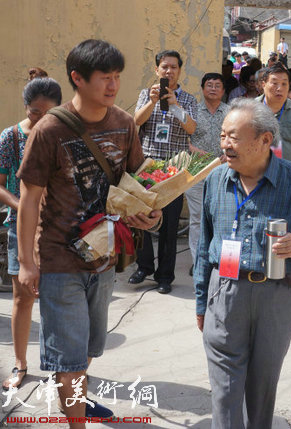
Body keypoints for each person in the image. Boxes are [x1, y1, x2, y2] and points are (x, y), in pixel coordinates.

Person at [17, 39, 162, 429]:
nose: (113, 85)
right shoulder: (49, 130)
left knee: (85, 351)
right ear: (78, 79)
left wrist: (149, 214)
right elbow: (29, 200)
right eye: (104, 78)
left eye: (117, 77)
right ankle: (76, 419)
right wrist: (27, 263)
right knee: (71, 361)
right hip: (60, 259)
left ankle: (74, 397)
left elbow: (134, 183)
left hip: (104, 257)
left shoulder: (124, 123)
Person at [195, 98, 291, 429]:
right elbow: (205, 244)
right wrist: (202, 300)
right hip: (225, 290)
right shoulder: (216, 179)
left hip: (276, 294)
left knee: (262, 386)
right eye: (222, 136)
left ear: (264, 140)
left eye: (233, 136)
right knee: (224, 389)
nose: (225, 144)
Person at [0, 77, 62, 390]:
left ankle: (61, 369)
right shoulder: (10, 138)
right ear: (26, 107)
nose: (41, 120)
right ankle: (20, 364)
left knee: (57, 299)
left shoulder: (64, 136)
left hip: (58, 229)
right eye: (36, 113)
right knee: (23, 298)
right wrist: (25, 207)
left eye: (49, 114)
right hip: (19, 229)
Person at [129, 49, 198, 294]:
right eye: (164, 67)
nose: (169, 71)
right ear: (156, 70)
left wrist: (175, 105)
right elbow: (136, 121)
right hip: (147, 166)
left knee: (169, 223)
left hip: (174, 170)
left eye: (174, 67)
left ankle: (165, 276)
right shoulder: (146, 94)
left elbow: (191, 128)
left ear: (180, 71)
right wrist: (152, 101)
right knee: (141, 219)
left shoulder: (188, 99)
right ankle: (143, 266)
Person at [187, 73, 230, 275]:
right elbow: (183, 139)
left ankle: (218, 260)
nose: (213, 89)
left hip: (224, 172)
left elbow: (237, 137)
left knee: (222, 216)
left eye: (217, 85)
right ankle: (198, 263)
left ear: (223, 90)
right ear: (203, 88)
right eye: (209, 85)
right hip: (196, 172)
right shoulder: (192, 111)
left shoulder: (230, 112)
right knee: (197, 218)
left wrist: (227, 154)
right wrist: (195, 151)